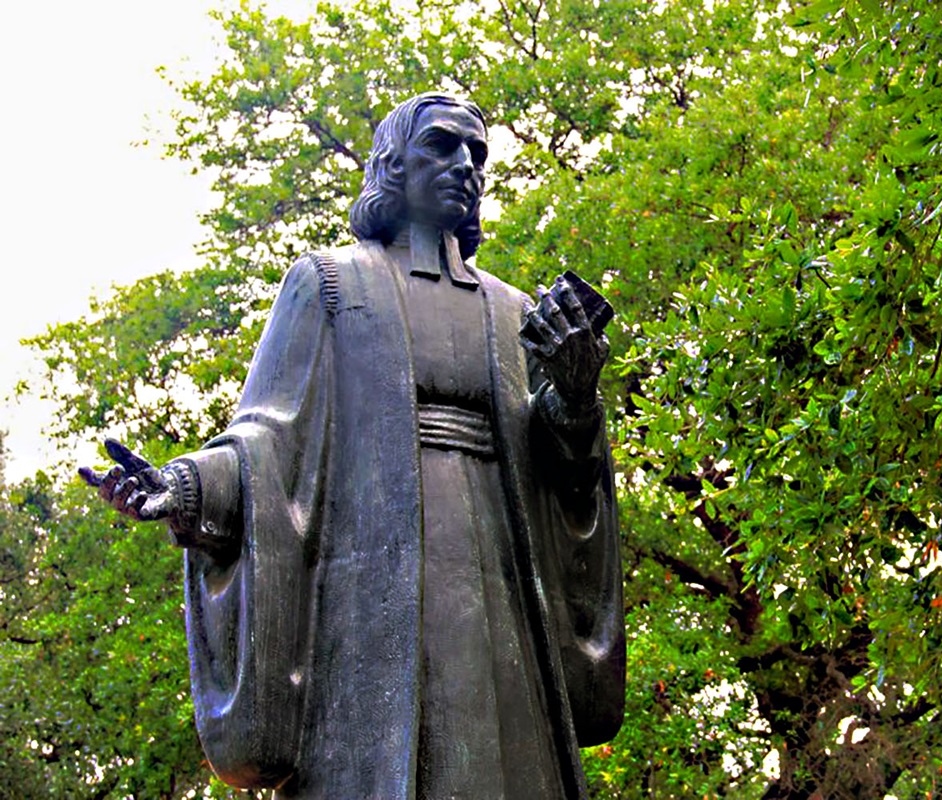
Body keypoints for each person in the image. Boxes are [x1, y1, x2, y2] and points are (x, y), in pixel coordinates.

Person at [81, 92, 624, 799]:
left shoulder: (512, 310)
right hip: (372, 587)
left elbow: (563, 478)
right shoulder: (333, 284)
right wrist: (186, 487)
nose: (465, 165)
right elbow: (269, 439)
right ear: (393, 165)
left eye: (477, 154)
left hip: (503, 584)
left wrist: (576, 400)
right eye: (442, 146)